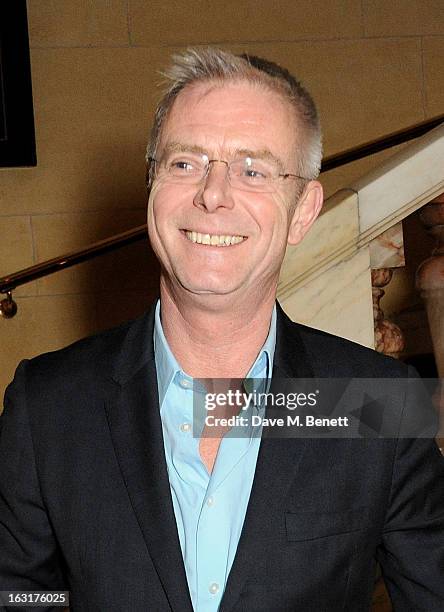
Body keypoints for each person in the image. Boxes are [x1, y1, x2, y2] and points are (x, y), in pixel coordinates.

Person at [0, 47, 443, 612]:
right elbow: (20, 595)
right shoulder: (48, 406)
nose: (213, 194)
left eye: (253, 169)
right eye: (185, 163)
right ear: (151, 188)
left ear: (303, 211)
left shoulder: (374, 404)